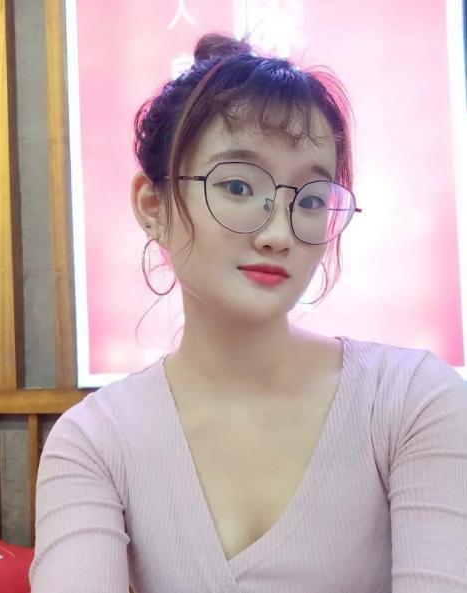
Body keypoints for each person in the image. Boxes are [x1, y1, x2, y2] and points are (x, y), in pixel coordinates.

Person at [29, 32, 467, 593]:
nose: (279, 233)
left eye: (311, 199)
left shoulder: (411, 401)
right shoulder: (95, 441)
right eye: (238, 186)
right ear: (153, 205)